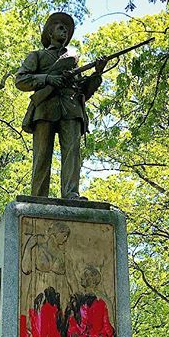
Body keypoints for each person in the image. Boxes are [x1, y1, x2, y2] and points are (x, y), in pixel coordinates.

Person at [15, 12, 106, 199]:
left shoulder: (73, 60)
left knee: (72, 153)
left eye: (67, 29)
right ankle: (39, 196)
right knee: (42, 155)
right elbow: (21, 80)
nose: (65, 30)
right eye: (60, 27)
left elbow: (83, 91)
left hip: (71, 107)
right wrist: (48, 78)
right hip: (45, 107)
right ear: (49, 31)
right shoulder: (37, 56)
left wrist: (97, 74)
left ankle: (71, 193)